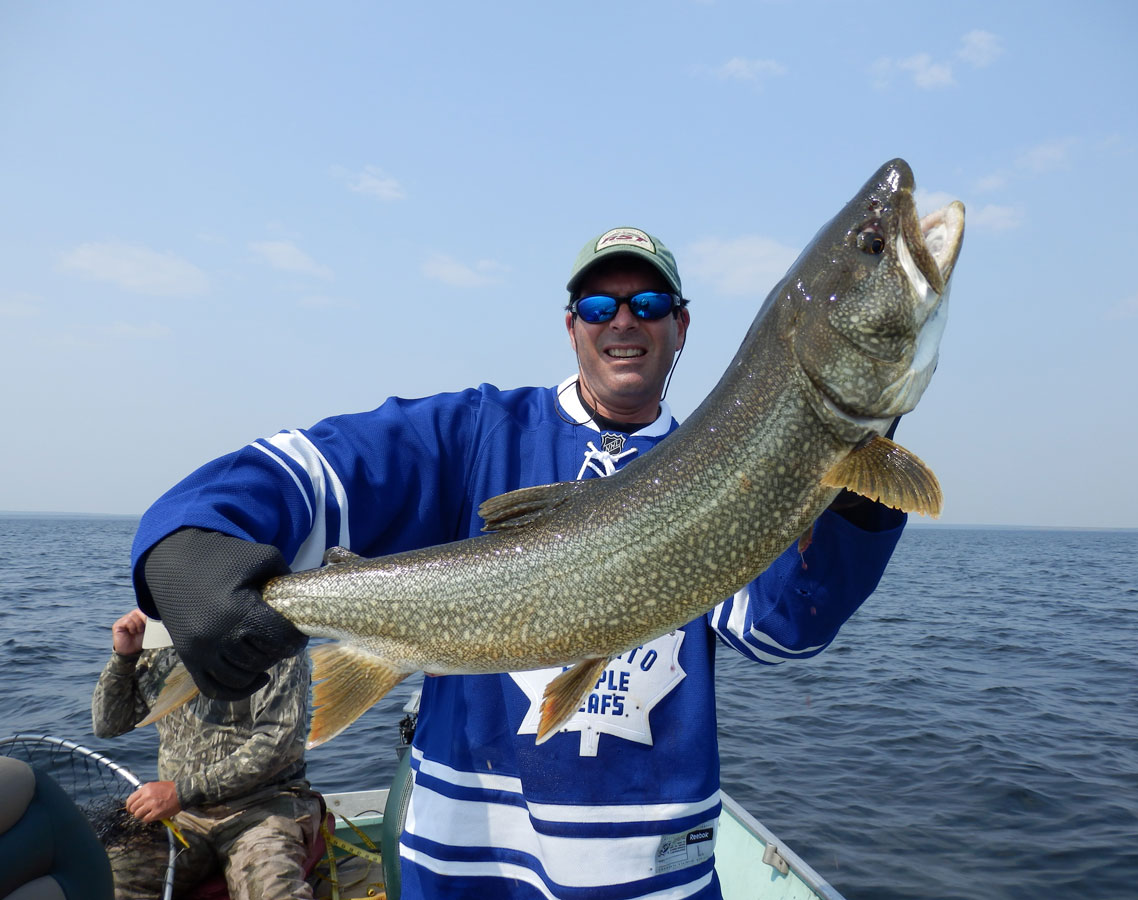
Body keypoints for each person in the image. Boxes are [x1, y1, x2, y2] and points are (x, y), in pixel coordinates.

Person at [129, 226, 907, 900]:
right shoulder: (476, 432)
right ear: (572, 326)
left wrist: (850, 489)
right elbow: (318, 467)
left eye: (650, 304)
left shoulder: (729, 464)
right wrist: (193, 536)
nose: (623, 322)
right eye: (600, 306)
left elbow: (780, 631)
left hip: (655, 878)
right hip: (460, 869)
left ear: (683, 325)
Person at [91, 608, 324, 900]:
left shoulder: (272, 637)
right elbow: (109, 724)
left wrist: (182, 792)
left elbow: (277, 745)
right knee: (109, 878)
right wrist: (124, 657)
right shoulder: (161, 638)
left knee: (275, 892)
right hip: (182, 818)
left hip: (262, 809)